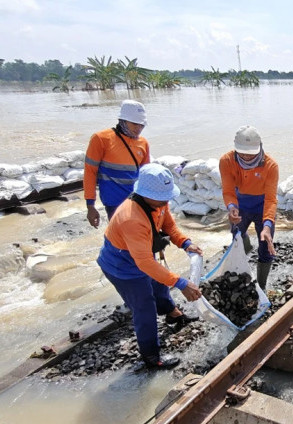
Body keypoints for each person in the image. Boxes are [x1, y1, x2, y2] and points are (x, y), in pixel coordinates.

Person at [97, 163, 202, 369]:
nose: (167, 201)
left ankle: (173, 315)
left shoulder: (158, 202)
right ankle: (152, 357)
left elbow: (168, 225)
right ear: (145, 193)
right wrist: (181, 283)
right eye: (163, 197)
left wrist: (185, 243)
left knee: (159, 285)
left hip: (141, 255)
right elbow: (144, 263)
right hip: (122, 265)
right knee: (144, 307)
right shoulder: (131, 218)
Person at [219, 125, 279, 290]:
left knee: (266, 246)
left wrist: (267, 225)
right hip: (240, 205)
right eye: (242, 153)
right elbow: (228, 190)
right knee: (236, 237)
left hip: (262, 207)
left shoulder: (270, 166)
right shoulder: (227, 161)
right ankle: (244, 254)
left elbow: (271, 200)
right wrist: (231, 207)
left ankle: (261, 286)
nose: (245, 157)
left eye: (250, 153)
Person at [84, 99, 150, 228]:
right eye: (135, 124)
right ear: (123, 121)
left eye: (142, 125)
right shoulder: (101, 139)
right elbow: (90, 172)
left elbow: (146, 175)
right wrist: (90, 205)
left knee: (142, 237)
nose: (139, 128)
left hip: (137, 201)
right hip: (114, 203)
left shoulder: (143, 143)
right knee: (122, 240)